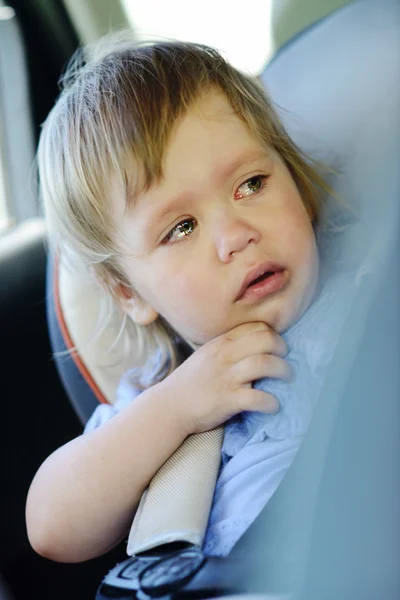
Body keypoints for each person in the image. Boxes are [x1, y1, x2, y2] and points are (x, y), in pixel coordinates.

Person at [26, 34, 352, 563]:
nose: (236, 236)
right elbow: (50, 526)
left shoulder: (367, 297)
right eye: (181, 227)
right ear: (129, 293)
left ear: (297, 181)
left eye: (251, 184)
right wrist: (177, 409)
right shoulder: (164, 393)